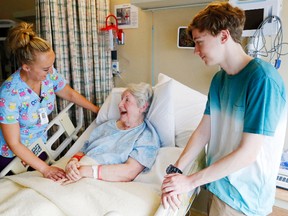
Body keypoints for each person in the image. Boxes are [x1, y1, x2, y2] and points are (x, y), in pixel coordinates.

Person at [161, 2, 287, 216]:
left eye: (200, 42)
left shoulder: (262, 80)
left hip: (243, 200)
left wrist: (189, 182)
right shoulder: (219, 80)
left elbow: (248, 154)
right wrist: (176, 171)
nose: (196, 51)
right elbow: (204, 131)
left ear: (223, 36)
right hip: (217, 185)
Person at [0, 22, 100, 181]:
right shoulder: (10, 93)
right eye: (46, 68)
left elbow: (70, 94)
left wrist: (97, 110)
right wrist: (45, 169)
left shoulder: (49, 75)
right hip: (12, 157)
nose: (51, 71)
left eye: (51, 65)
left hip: (39, 145)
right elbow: (14, 143)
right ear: (26, 67)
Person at [63, 82, 160, 183]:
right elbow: (84, 150)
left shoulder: (146, 137)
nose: (119, 104)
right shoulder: (108, 126)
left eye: (127, 100)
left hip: (102, 179)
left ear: (143, 107)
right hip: (79, 171)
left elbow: (129, 172)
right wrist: (73, 162)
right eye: (121, 99)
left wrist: (87, 171)